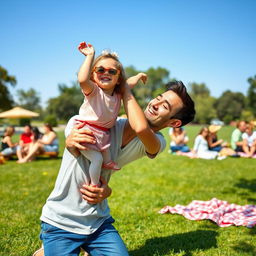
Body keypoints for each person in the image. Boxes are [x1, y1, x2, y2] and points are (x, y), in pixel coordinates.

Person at [35, 81, 195, 256]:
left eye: (164, 106)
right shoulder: (96, 124)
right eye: (158, 98)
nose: (155, 104)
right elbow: (75, 125)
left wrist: (107, 191)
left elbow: (140, 127)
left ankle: (77, 246)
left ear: (174, 123)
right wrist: (70, 139)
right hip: (61, 219)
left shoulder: (157, 142)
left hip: (97, 222)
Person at [72, 41, 146, 187]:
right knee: (96, 160)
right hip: (86, 132)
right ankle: (94, 184)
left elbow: (129, 83)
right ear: (93, 75)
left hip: (102, 133)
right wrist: (90, 56)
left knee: (105, 154)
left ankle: (108, 162)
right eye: (100, 70)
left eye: (112, 71)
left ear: (118, 79)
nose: (106, 73)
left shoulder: (118, 93)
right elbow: (82, 79)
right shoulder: (93, 91)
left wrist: (138, 76)